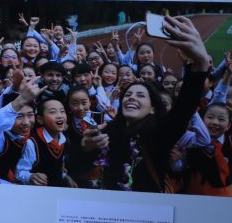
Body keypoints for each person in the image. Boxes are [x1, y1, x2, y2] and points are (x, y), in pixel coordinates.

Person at [82, 16, 211, 192]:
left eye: (141, 95)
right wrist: (85, 149)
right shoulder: (107, 132)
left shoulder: (161, 134)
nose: (132, 97)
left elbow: (184, 106)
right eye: (128, 94)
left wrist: (200, 64)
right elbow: (80, 169)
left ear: (152, 108)